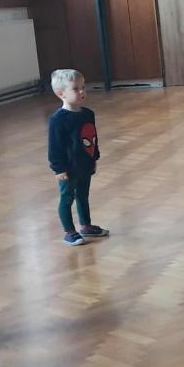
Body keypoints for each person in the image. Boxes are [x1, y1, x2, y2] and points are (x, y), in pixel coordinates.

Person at [47, 69, 108, 246]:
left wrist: (94, 158)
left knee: (83, 196)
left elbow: (91, 138)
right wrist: (58, 168)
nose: (82, 91)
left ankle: (86, 226)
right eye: (75, 88)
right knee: (67, 198)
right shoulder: (58, 120)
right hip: (68, 169)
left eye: (83, 87)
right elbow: (54, 147)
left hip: (85, 165)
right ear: (61, 94)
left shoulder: (88, 114)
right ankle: (69, 231)